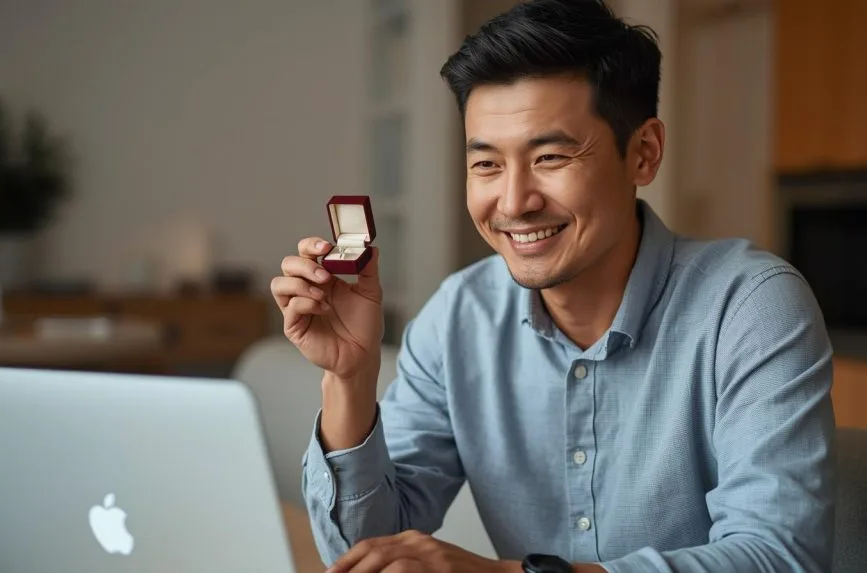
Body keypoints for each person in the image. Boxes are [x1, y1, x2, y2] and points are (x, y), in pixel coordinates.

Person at [270, 1, 836, 571]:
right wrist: (349, 378)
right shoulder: (457, 318)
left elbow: (780, 557)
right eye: (486, 165)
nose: (514, 203)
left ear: (644, 153)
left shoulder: (751, 307)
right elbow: (362, 556)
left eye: (551, 156)